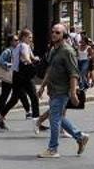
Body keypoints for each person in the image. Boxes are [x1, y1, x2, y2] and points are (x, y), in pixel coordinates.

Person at [38, 23, 90, 158]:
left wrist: (73, 93)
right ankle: (80, 136)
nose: (54, 34)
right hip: (53, 89)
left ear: (64, 35)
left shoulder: (68, 51)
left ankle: (53, 149)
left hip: (62, 90)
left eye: (58, 32)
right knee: (58, 117)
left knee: (54, 118)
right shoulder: (53, 50)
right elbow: (50, 70)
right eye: (53, 32)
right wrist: (42, 86)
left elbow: (74, 73)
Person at [0, 29, 39, 129]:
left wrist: (34, 58)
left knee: (14, 99)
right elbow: (27, 57)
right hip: (24, 75)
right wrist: (31, 63)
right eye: (29, 37)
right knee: (34, 97)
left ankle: (0, 118)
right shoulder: (23, 45)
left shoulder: (18, 46)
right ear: (23, 37)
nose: (31, 39)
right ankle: (37, 122)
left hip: (16, 75)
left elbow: (31, 56)